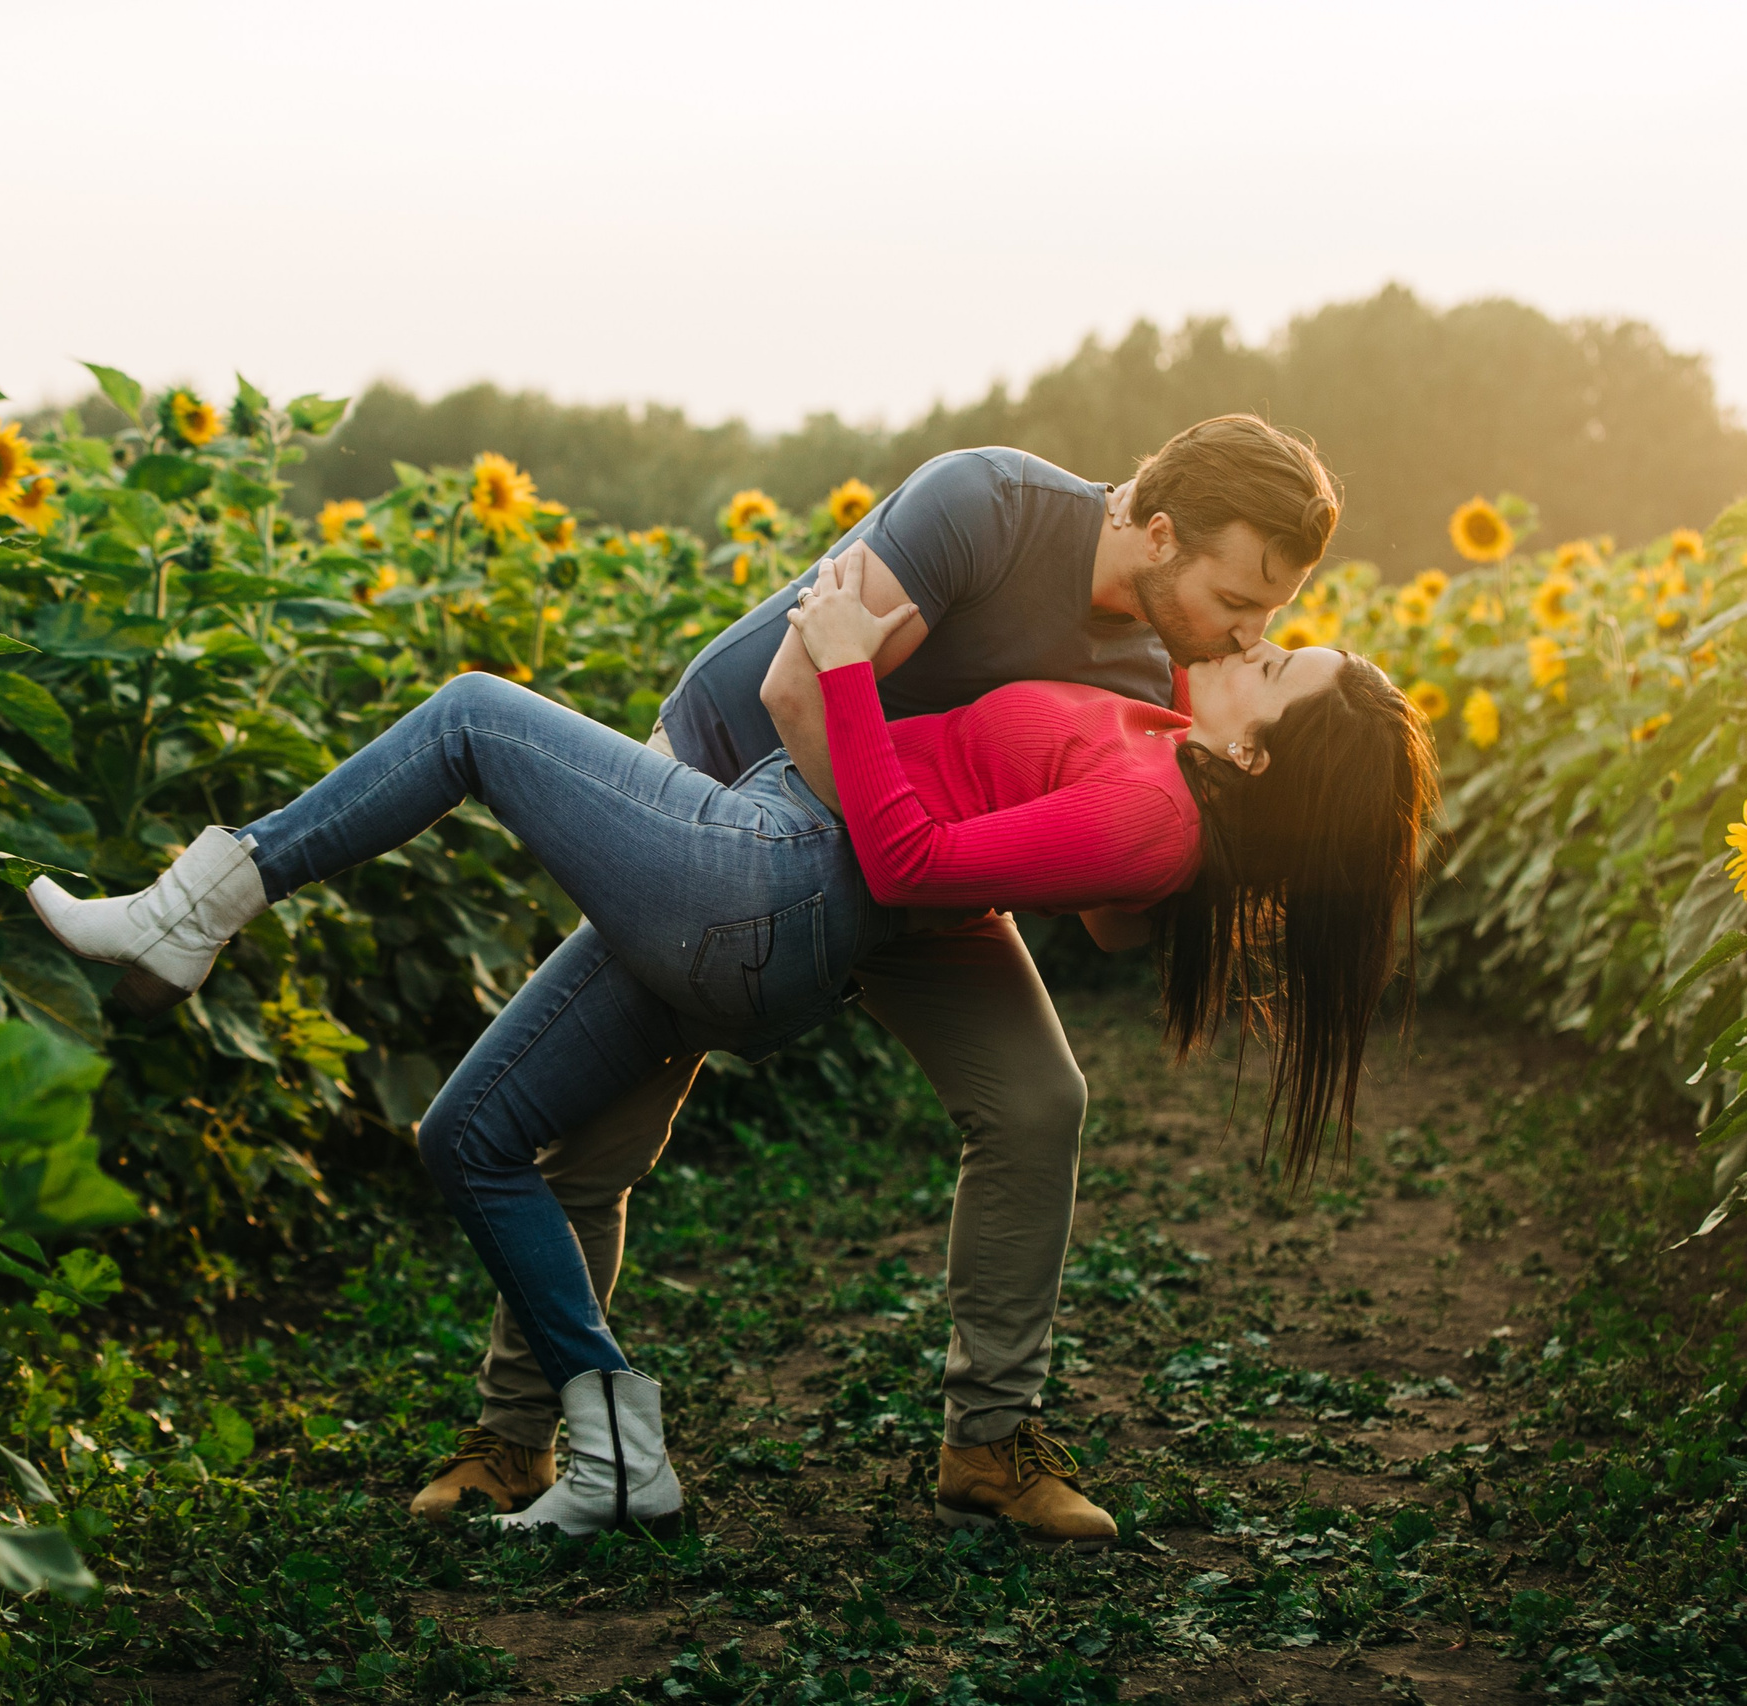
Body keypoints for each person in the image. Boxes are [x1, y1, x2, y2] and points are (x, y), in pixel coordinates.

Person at [27, 550, 1439, 1544]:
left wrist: (838, 671)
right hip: (776, 869)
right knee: (466, 1135)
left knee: (466, 712)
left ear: (1262, 763)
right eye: (1261, 618)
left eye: (1272, 659)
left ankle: (198, 899)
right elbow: (1099, 880)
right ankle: (598, 1430)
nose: (1249, 640)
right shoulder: (1137, 698)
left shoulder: (1163, 795)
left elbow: (909, 852)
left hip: (774, 872)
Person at [413, 417, 1338, 1543]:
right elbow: (794, 687)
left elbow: (1106, 916)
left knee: (1039, 1099)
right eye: (1244, 599)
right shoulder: (985, 505)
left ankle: (988, 1442)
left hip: (913, 861)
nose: (1249, 631)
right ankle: (516, 1431)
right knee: (599, 1137)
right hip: (735, 798)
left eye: (1271, 617)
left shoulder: (1156, 666)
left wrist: (1219, 847)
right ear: (1160, 534)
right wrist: (881, 870)